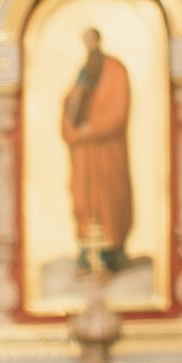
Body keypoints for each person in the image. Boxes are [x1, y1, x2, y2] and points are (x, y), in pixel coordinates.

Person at [60, 26, 132, 273]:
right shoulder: (83, 72)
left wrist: (94, 128)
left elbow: (118, 109)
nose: (90, 44)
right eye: (85, 40)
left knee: (111, 195)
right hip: (84, 152)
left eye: (92, 40)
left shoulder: (115, 69)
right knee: (83, 196)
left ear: (99, 41)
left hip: (107, 149)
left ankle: (112, 252)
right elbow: (70, 105)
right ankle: (87, 252)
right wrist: (74, 121)